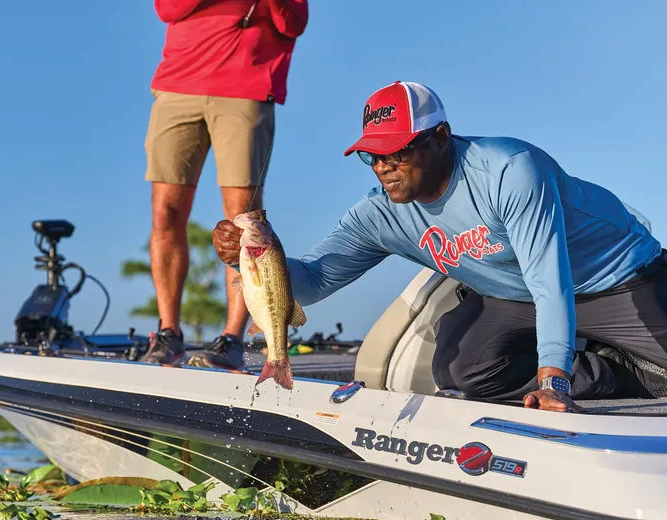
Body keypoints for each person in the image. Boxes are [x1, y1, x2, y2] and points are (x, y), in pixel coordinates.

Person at [211, 80, 667, 413]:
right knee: (460, 367)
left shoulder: (510, 170)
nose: (383, 167)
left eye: (397, 151)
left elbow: (551, 282)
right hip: (517, 295)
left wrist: (554, 382)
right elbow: (310, 284)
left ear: (441, 137)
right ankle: (618, 370)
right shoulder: (380, 215)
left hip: (616, 278)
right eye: (372, 156)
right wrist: (248, 259)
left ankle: (591, 356)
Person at [140, 0, 309, 369]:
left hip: (246, 86)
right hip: (178, 84)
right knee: (165, 212)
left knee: (244, 222)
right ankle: (168, 333)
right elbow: (167, 9)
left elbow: (294, 22)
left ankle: (232, 338)